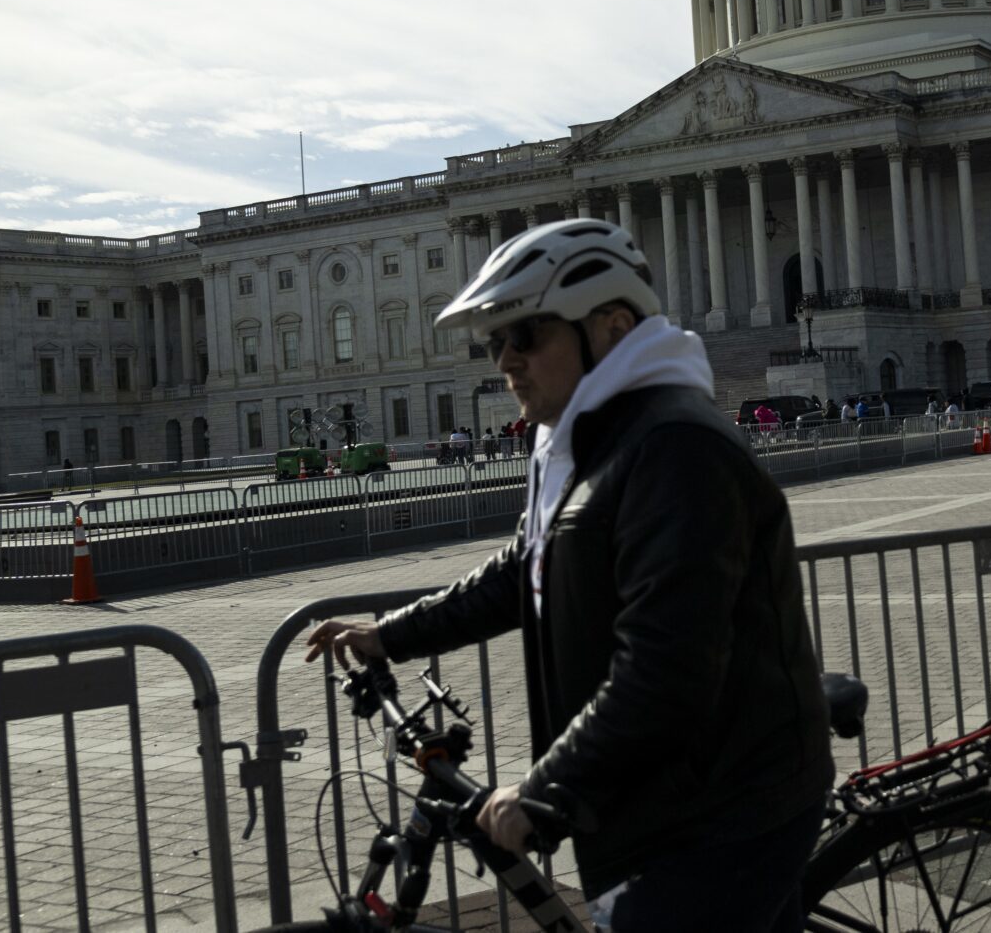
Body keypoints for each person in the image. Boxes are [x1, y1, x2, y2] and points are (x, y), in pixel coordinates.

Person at [301, 219, 831, 932]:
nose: (506, 360)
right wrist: (389, 635)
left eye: (527, 335)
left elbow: (666, 664)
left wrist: (547, 788)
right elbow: (523, 570)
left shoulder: (675, 450)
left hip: (723, 807)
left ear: (611, 329)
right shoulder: (589, 440)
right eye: (496, 341)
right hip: (658, 794)